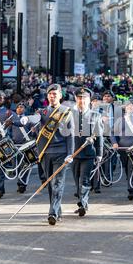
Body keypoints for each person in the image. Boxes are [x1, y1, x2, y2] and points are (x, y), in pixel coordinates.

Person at [36, 84, 75, 225]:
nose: (52, 96)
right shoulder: (42, 112)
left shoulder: (66, 112)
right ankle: (57, 209)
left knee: (58, 182)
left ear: (60, 96)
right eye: (50, 94)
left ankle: (52, 212)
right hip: (46, 152)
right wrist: (23, 120)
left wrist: (70, 154)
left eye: (55, 94)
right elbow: (34, 121)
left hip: (61, 152)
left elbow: (71, 135)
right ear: (47, 96)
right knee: (50, 184)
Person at [71, 88, 103, 217]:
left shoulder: (95, 115)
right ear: (76, 99)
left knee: (84, 179)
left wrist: (99, 153)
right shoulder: (70, 114)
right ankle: (81, 201)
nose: (81, 100)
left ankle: (82, 204)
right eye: (79, 98)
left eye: (84, 98)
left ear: (89, 100)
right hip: (73, 153)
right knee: (76, 179)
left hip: (88, 153)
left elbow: (99, 135)